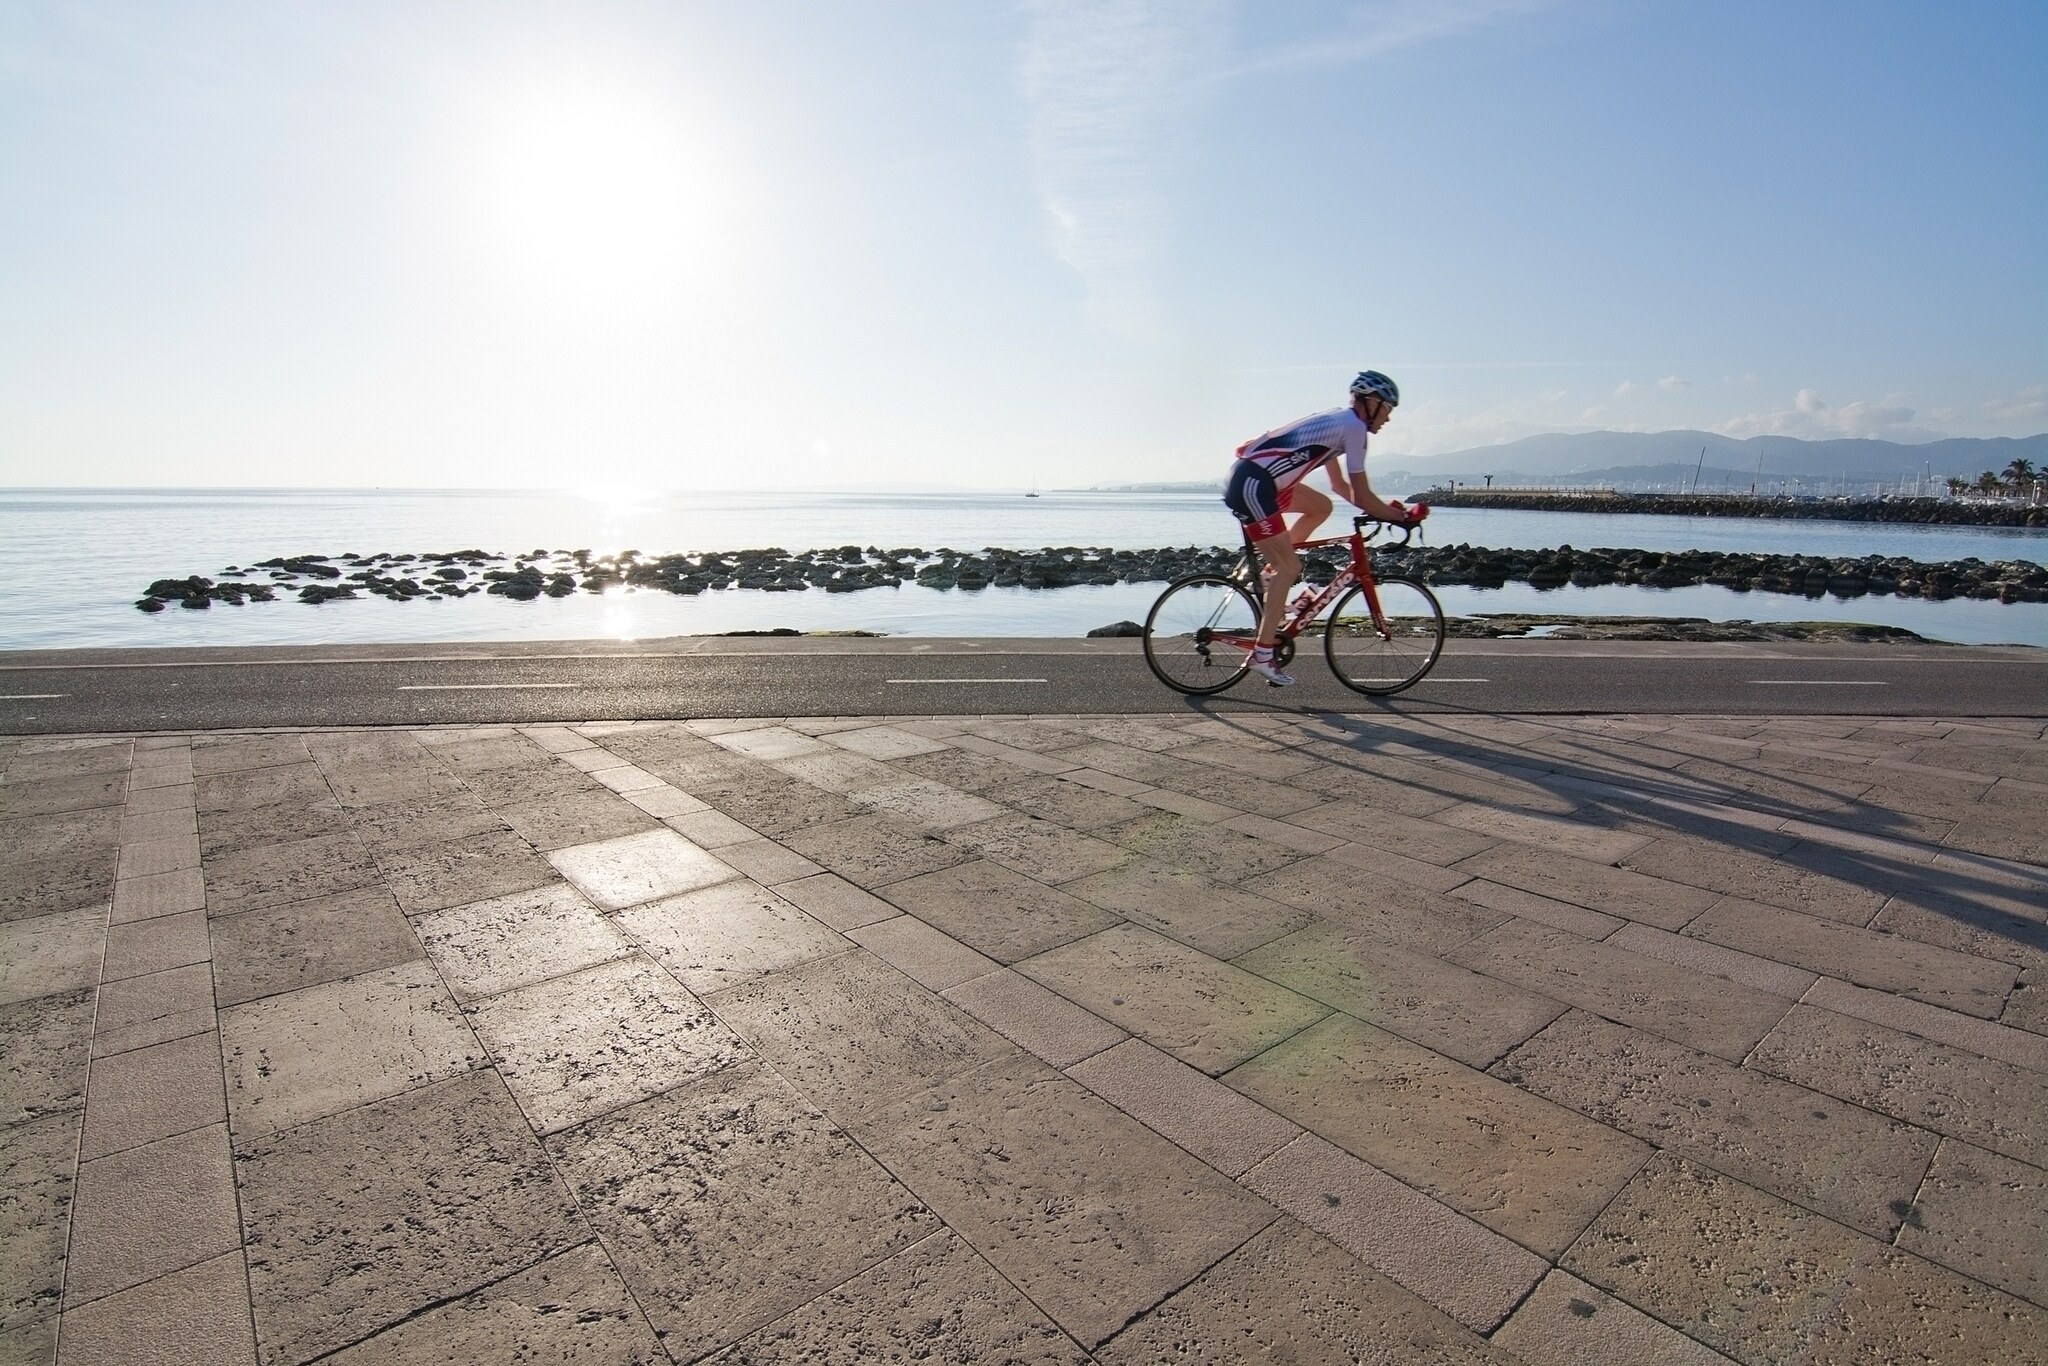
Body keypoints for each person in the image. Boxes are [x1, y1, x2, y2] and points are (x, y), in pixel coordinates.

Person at [1223, 370, 1423, 685]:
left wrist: (1386, 510)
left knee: (1321, 507)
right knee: (1291, 567)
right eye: (1387, 408)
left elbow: (1340, 487)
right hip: (1255, 485)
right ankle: (1262, 653)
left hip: (1257, 480)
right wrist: (1400, 516)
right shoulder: (1354, 428)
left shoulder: (1338, 422)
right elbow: (1362, 496)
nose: (1388, 417)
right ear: (1371, 402)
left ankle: (1271, 575)